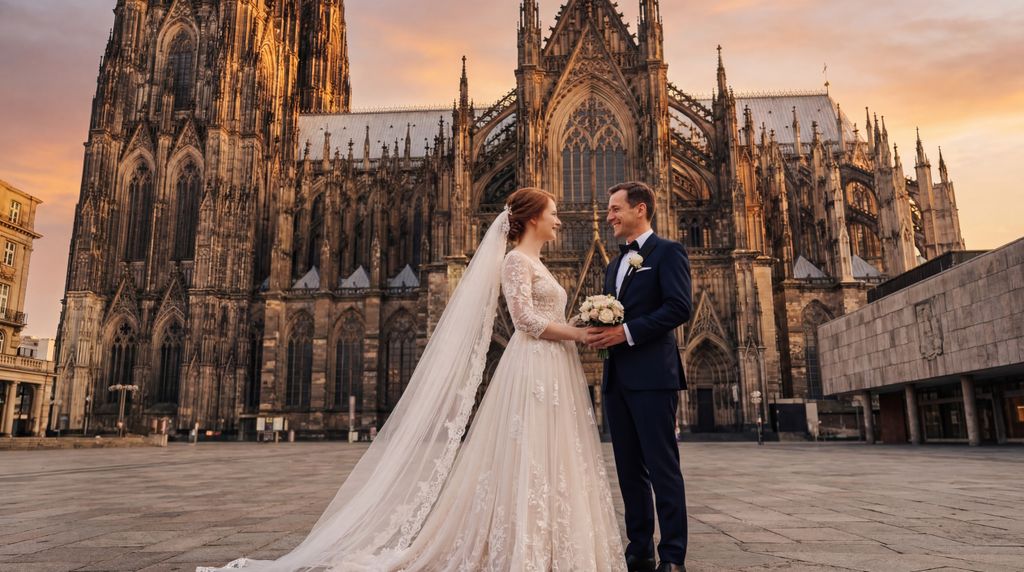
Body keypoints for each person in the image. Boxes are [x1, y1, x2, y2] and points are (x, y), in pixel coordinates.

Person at [200, 188, 625, 571]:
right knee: (527, 453)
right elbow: (525, 320)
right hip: (534, 363)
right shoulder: (514, 260)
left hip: (554, 363)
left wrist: (586, 323)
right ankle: (520, 548)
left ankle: (548, 544)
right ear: (532, 218)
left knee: (551, 455)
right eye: (553, 212)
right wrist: (580, 332)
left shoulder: (536, 261)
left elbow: (544, 316)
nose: (560, 219)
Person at [587, 182, 692, 572]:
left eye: (615, 209)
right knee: (629, 470)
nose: (609, 216)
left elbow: (679, 307)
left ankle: (673, 556)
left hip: (652, 376)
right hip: (617, 378)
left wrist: (625, 333)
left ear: (640, 210)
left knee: (662, 468)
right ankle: (640, 547)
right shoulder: (614, 264)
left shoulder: (668, 252)